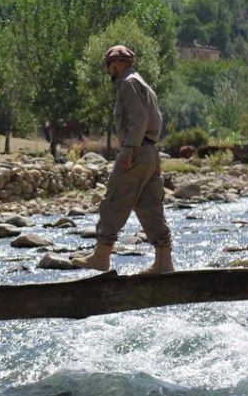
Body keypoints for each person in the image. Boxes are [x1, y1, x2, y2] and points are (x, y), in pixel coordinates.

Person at [74, 45, 174, 274]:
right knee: (149, 206)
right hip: (150, 153)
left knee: (114, 200)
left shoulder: (127, 84)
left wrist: (128, 150)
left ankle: (101, 256)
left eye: (108, 66)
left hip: (136, 151)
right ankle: (163, 261)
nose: (108, 70)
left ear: (117, 64)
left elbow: (138, 120)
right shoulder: (142, 82)